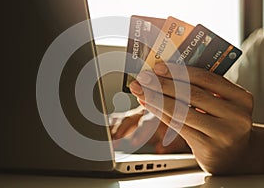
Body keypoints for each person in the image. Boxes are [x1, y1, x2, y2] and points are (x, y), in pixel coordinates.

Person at [110, 28, 264, 175]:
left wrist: (251, 150)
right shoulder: (259, 48)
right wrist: (185, 132)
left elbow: (236, 136)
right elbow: (225, 121)